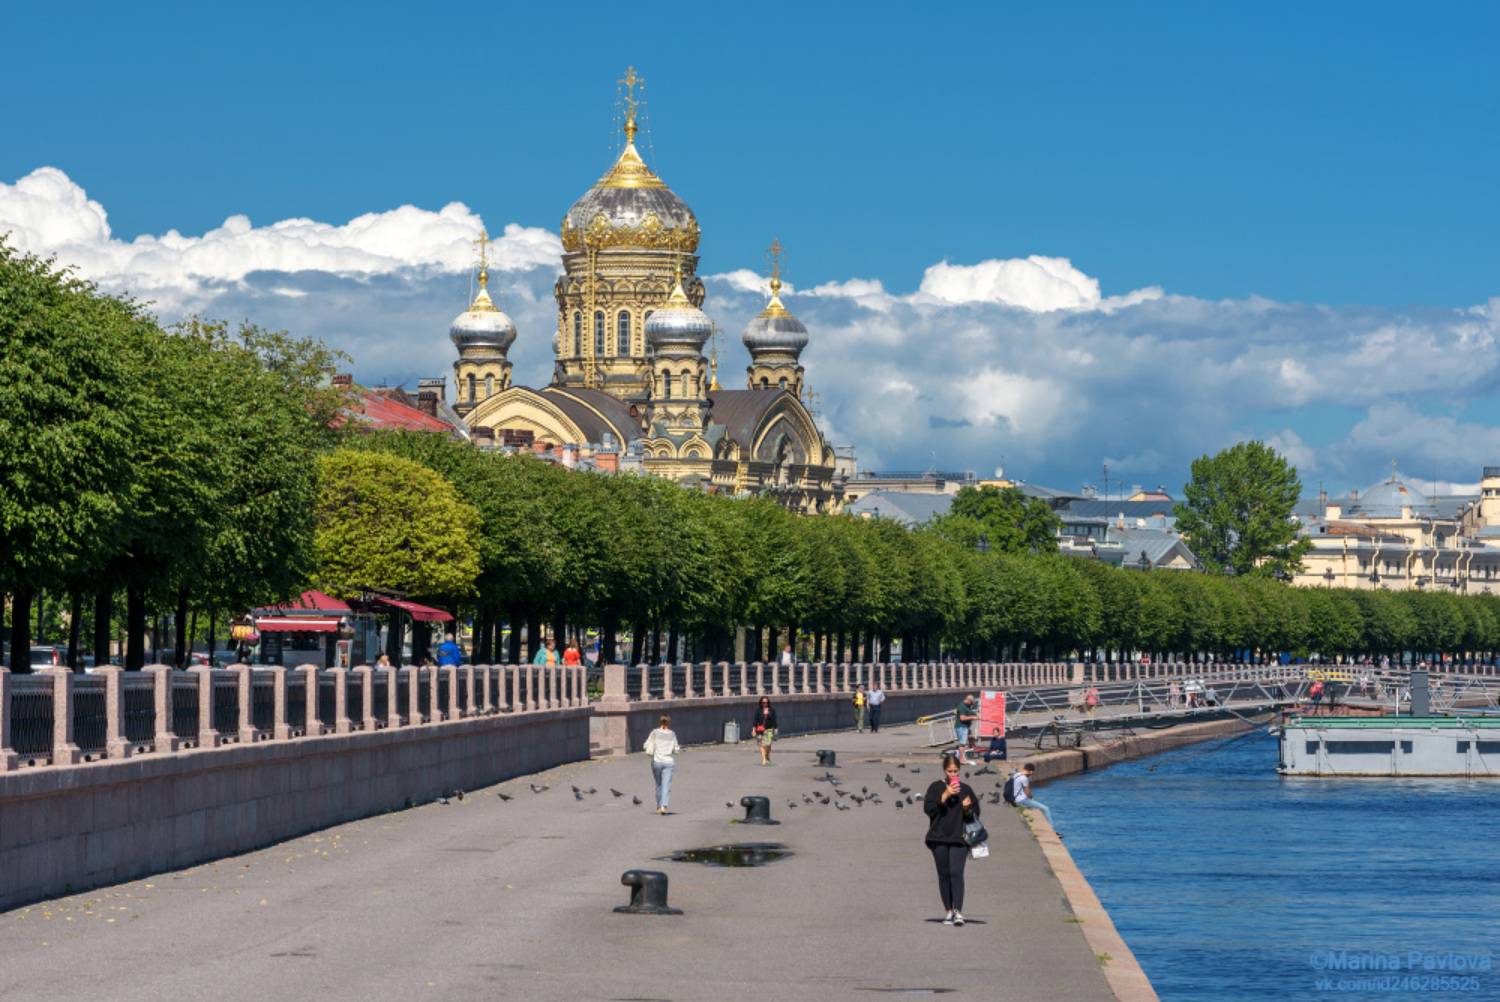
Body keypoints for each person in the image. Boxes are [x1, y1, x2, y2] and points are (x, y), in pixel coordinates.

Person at [923, 751, 980, 926]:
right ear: (944, 771)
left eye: (956, 771)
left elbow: (975, 816)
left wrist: (967, 809)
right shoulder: (935, 787)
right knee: (944, 874)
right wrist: (945, 796)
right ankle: (948, 910)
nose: (953, 775)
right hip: (938, 837)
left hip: (959, 838)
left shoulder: (967, 789)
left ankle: (958, 912)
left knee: (956, 873)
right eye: (950, 771)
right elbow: (929, 810)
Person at [643, 714, 681, 815]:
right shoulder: (672, 734)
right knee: (666, 785)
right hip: (668, 762)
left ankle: (659, 806)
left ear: (660, 722)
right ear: (669, 722)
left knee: (658, 785)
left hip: (657, 761)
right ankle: (664, 806)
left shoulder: (655, 732)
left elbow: (646, 745)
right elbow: (676, 749)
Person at [1011, 762, 1058, 835]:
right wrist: (1032, 798)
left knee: (1032, 805)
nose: (1031, 774)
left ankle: (1028, 807)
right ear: (1031, 771)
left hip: (1014, 797)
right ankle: (1052, 830)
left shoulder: (1017, 775)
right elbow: (1027, 793)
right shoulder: (1024, 778)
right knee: (1045, 808)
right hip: (1021, 800)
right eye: (1032, 772)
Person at [750, 696, 779, 766]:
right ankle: (763, 759)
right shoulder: (758, 710)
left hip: (769, 730)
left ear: (768, 703)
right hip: (760, 730)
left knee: (768, 744)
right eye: (763, 702)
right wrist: (753, 729)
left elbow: (774, 720)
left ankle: (767, 755)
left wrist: (776, 729)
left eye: (766, 702)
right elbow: (755, 720)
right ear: (761, 703)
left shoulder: (772, 710)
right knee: (761, 745)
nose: (764, 704)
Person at [954, 694, 978, 763]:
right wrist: (973, 717)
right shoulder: (961, 706)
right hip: (961, 727)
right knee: (962, 744)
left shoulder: (967, 706)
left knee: (971, 738)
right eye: (971, 702)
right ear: (969, 700)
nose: (972, 704)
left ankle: (968, 751)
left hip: (965, 727)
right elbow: (962, 718)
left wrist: (976, 714)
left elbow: (970, 712)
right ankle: (961, 759)